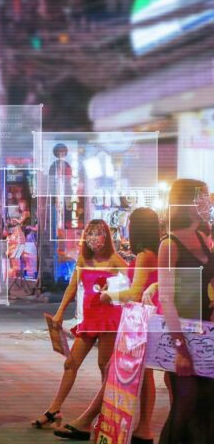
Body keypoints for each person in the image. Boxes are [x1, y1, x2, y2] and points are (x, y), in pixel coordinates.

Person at [34, 219, 127, 436]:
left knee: (105, 367)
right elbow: (71, 288)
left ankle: (106, 415)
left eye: (99, 234)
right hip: (89, 321)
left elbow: (133, 279)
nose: (94, 239)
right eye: (91, 234)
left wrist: (114, 287)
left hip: (109, 321)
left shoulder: (114, 259)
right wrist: (59, 313)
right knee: (70, 363)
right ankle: (54, 409)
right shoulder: (84, 260)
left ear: (107, 237)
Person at [82, 207, 160, 444]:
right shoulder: (151, 253)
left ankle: (140, 427)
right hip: (148, 318)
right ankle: (140, 428)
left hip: (143, 321)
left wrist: (110, 296)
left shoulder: (145, 255)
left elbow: (136, 292)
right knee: (143, 375)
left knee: (124, 371)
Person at [154, 179, 214, 443]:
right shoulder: (169, 244)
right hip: (183, 334)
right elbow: (167, 299)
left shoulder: (204, 237)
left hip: (207, 332)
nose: (208, 201)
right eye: (202, 197)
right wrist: (180, 348)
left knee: (207, 406)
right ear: (187, 202)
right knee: (184, 406)